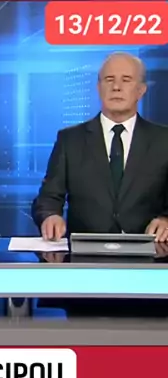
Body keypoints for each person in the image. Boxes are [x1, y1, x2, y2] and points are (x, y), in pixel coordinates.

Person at [32, 53, 168, 243]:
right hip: (85, 253)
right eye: (109, 79)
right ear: (98, 87)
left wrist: (166, 220)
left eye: (126, 80)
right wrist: (50, 215)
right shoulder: (70, 140)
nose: (116, 87)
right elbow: (48, 198)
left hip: (150, 251)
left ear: (141, 89)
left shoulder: (163, 140)